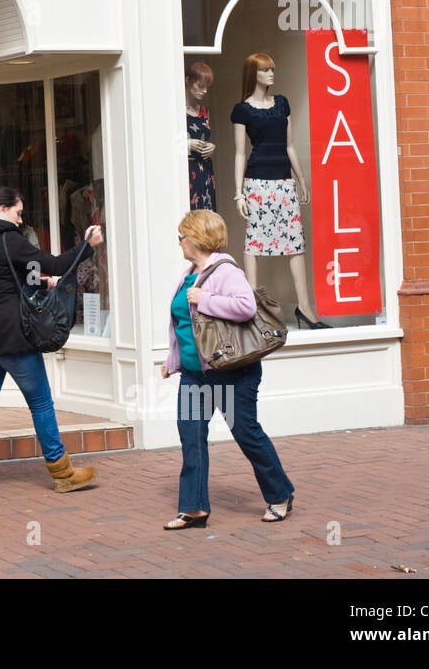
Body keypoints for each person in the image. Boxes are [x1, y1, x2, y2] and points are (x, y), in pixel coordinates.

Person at [0, 186, 102, 499]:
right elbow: (55, 264)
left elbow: (1, 279)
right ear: (2, 210)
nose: (20, 220)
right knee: (40, 402)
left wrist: (37, 279)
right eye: (18, 212)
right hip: (13, 336)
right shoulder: (8, 238)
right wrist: (87, 245)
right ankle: (63, 472)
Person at [160, 209, 294, 530]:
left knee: (246, 433)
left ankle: (280, 494)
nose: (179, 242)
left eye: (182, 236)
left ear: (197, 238)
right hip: (196, 374)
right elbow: (182, 324)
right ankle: (193, 508)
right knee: (191, 435)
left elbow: (246, 307)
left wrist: (205, 297)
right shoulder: (189, 272)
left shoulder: (224, 270)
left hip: (232, 370)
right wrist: (171, 362)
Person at [230, 51, 327, 329]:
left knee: (295, 243)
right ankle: (251, 310)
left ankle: (306, 309)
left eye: (272, 69)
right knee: (254, 243)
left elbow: (289, 146)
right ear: (254, 75)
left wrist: (301, 180)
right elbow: (240, 153)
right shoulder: (243, 110)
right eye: (265, 70)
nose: (271, 74)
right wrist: (238, 192)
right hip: (257, 183)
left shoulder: (281, 104)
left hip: (284, 181)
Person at [185, 61, 217, 212]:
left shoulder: (204, 111)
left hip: (204, 170)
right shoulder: (175, 110)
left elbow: (205, 138)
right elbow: (163, 143)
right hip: (186, 170)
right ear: (187, 80)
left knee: (207, 215)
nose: (204, 91)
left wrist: (212, 146)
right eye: (200, 86)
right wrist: (185, 144)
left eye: (207, 87)